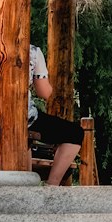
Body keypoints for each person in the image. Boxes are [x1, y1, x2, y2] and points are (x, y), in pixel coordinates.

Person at [28, 44, 83, 185]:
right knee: (74, 133)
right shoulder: (33, 51)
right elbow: (44, 93)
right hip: (27, 118)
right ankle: (52, 186)